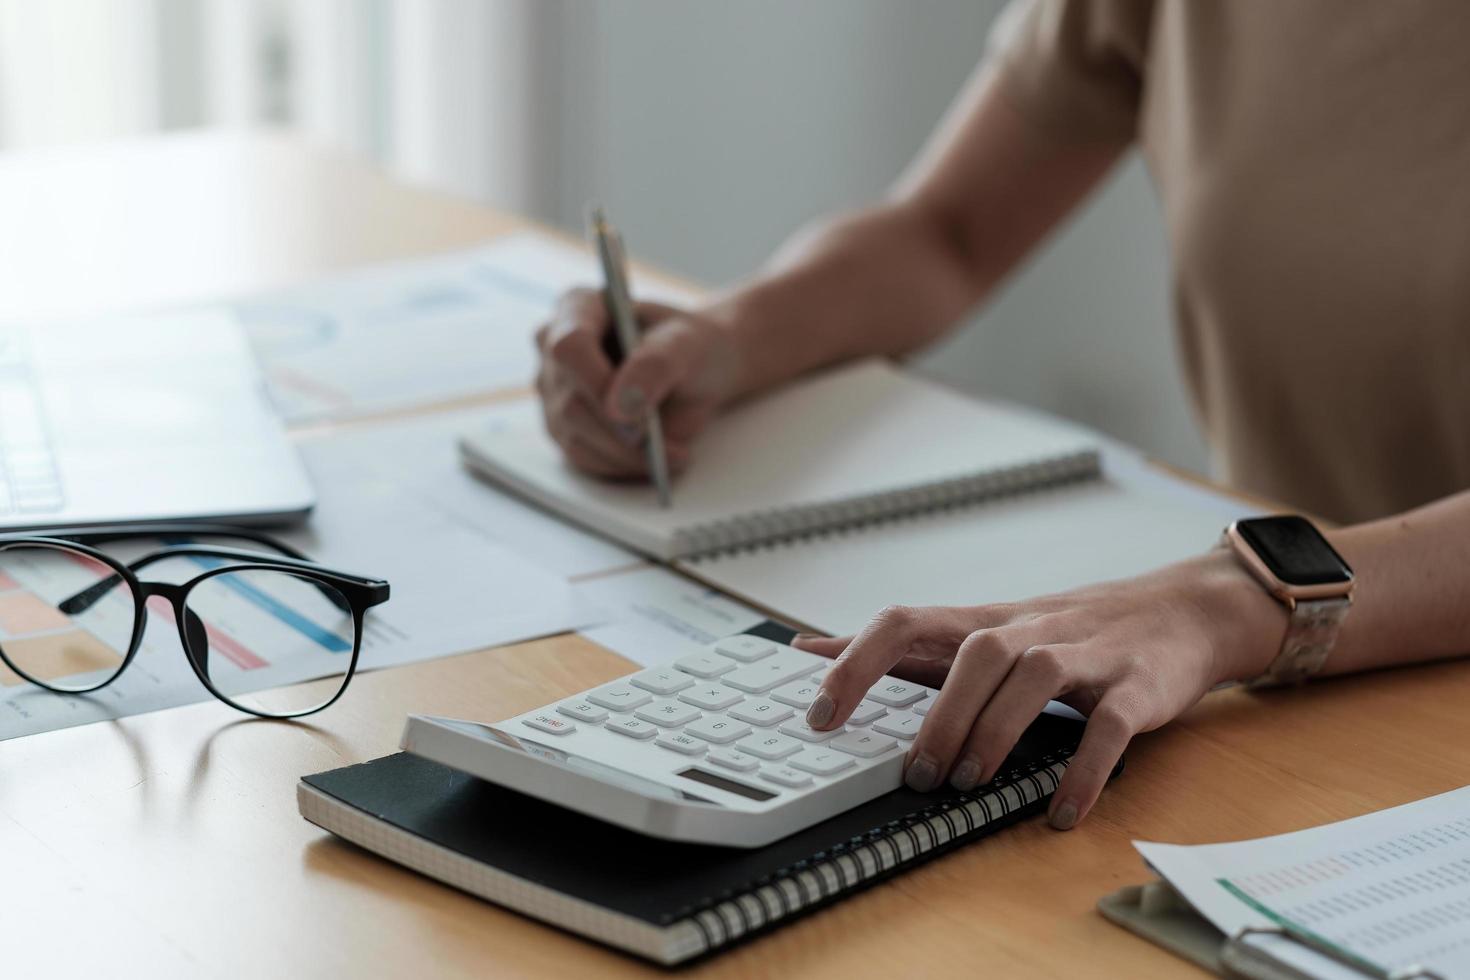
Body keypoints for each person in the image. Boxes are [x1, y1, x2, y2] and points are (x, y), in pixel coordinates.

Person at [532, 0, 1470, 830]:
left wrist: (1234, 600)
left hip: (1334, 667)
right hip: (1297, 699)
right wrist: (722, 341)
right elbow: (951, 230)